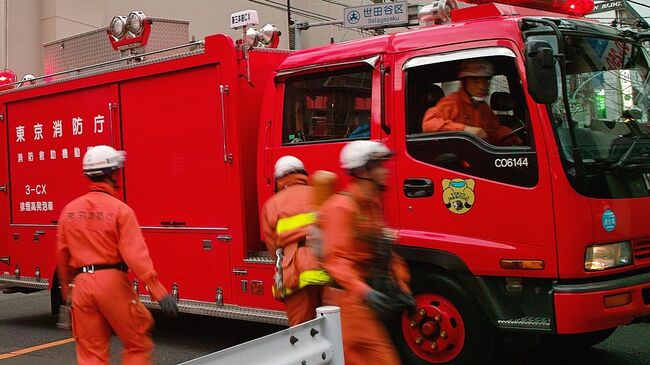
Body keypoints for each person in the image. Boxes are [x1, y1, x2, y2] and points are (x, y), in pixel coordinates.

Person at [56, 145, 178, 365]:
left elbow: (62, 259)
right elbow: (135, 255)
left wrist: (67, 293)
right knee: (137, 343)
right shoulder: (121, 210)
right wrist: (158, 292)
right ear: (113, 173)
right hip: (111, 282)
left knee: (90, 352)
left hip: (81, 285)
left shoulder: (69, 211)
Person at [320, 141, 414, 365]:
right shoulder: (341, 208)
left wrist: (403, 288)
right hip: (349, 304)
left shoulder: (371, 206)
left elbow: (385, 252)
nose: (386, 170)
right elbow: (336, 261)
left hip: (362, 301)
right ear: (362, 172)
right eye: (379, 165)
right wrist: (366, 292)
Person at [260, 155, 330, 325]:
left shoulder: (272, 205)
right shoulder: (321, 195)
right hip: (326, 266)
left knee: (302, 329)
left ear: (279, 179)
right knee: (332, 325)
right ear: (303, 174)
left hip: (296, 273)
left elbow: (273, 247)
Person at [422, 59, 523, 145]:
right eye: (475, 80)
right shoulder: (452, 101)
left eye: (486, 80)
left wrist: (514, 139)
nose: (482, 86)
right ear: (464, 82)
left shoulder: (483, 107)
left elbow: (493, 132)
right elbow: (428, 124)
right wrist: (465, 130)